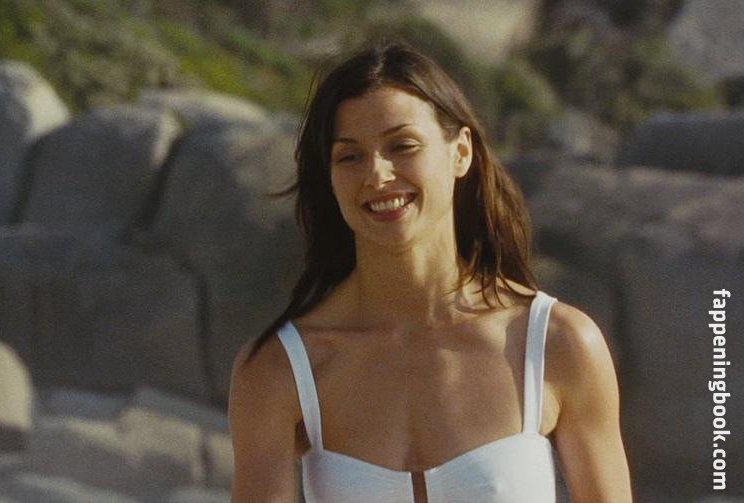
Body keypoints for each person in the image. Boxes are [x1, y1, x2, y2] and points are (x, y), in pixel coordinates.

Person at [227, 42, 633, 502]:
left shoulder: (558, 344)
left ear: (461, 152)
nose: (377, 174)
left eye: (402, 146)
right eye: (350, 156)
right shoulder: (280, 368)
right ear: (330, 177)